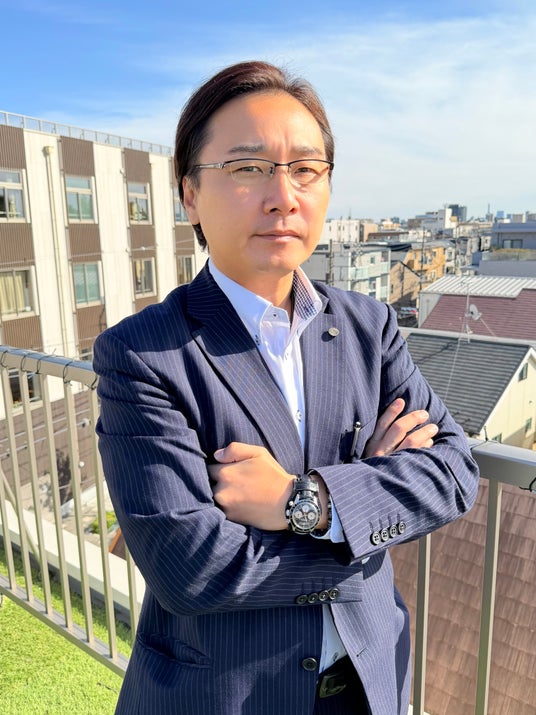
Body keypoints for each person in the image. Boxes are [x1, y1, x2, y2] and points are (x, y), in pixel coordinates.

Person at [94, 60, 479, 715]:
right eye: (247, 168)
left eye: (305, 169)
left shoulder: (368, 325)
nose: (283, 195)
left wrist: (305, 502)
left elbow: (452, 473)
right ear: (190, 194)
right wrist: (366, 521)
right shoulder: (144, 354)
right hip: (226, 697)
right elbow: (192, 568)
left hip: (370, 681)